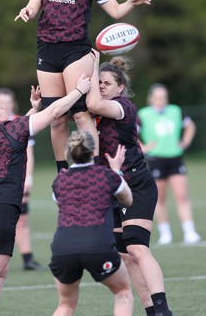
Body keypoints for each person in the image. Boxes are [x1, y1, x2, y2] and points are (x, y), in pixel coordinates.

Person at [14, 0, 151, 173]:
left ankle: (92, 170)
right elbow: (33, 6)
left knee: (80, 115)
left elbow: (116, 12)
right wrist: (27, 11)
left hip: (76, 50)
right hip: (46, 49)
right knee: (56, 119)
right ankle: (63, 174)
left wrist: (131, 2)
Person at [0, 75, 91, 316]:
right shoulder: (11, 130)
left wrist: (34, 108)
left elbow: (20, 129)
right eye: (2, 109)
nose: (8, 110)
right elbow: (54, 113)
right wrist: (79, 91)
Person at [86, 52, 173, 316]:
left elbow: (92, 102)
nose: (101, 86)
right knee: (124, 255)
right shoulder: (93, 110)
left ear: (121, 88)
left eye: (106, 83)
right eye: (99, 82)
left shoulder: (122, 106)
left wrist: (91, 64)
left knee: (137, 247)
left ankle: (163, 310)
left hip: (135, 183)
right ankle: (150, 310)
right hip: (110, 187)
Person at [49, 129, 133, 316]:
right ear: (93, 151)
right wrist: (116, 170)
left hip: (64, 248)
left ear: (68, 153)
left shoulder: (59, 180)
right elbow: (128, 200)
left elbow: (61, 204)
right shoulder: (107, 176)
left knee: (66, 305)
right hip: (97, 246)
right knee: (123, 292)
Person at [137, 83, 201, 245]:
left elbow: (190, 126)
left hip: (175, 158)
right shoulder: (143, 115)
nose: (161, 100)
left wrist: (185, 143)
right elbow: (131, 133)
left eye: (164, 97)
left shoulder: (175, 111)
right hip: (156, 159)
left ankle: (189, 232)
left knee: (181, 195)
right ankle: (165, 233)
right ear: (150, 98)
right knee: (160, 197)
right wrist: (142, 147)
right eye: (158, 97)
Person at [0, 87, 46, 271]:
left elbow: (29, 153)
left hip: (16, 182)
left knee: (21, 219)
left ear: (13, 104)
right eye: (1, 103)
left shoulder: (19, 122)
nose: (5, 106)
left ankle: (27, 258)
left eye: (8, 103)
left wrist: (27, 179)